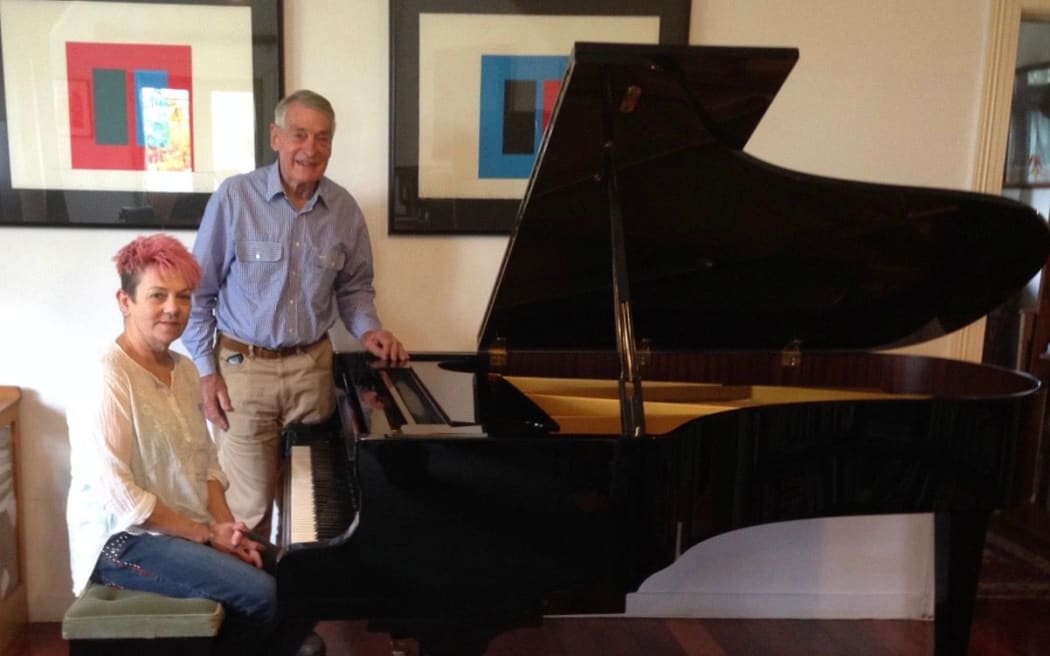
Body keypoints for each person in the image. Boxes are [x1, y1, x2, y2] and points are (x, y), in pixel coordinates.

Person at [65, 234, 319, 655]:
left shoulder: (184, 370)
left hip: (185, 527)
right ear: (125, 301)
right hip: (123, 541)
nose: (173, 308)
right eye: (157, 295)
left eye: (183, 297)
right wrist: (206, 535)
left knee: (311, 580)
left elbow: (207, 466)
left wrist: (228, 530)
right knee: (265, 596)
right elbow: (121, 497)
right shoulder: (106, 375)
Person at [183, 89, 409, 541]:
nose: (311, 148)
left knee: (314, 501)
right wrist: (206, 374)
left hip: (312, 372)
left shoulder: (344, 209)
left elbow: (354, 289)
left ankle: (298, 588)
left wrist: (370, 331)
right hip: (244, 375)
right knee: (247, 512)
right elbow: (198, 295)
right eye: (299, 134)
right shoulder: (235, 197)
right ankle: (252, 589)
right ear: (276, 137)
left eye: (322, 137)